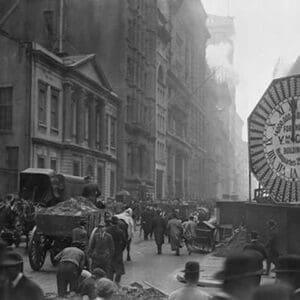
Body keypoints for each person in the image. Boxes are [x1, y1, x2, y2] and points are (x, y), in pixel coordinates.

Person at [106, 216, 127, 284]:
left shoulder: (107, 230)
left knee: (110, 267)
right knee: (119, 267)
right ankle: (117, 282)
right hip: (118, 251)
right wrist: (121, 249)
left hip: (109, 251)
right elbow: (124, 242)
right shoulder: (120, 231)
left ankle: (110, 282)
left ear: (111, 223)